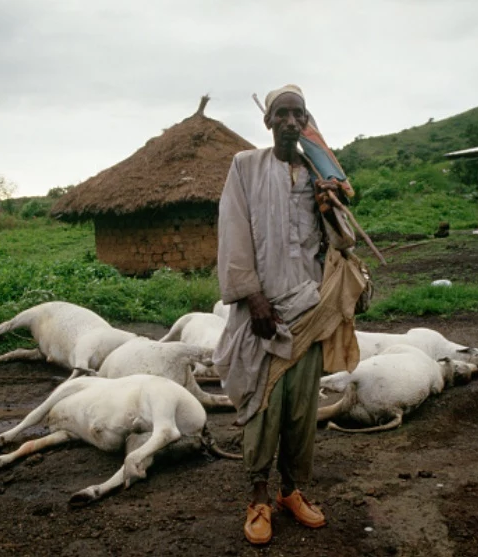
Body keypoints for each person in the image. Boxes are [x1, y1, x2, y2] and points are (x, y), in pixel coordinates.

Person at [214, 84, 357, 545]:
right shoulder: (245, 167)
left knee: (301, 408)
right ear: (268, 121)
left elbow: (340, 243)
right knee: (262, 406)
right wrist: (251, 296)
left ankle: (292, 492)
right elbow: (234, 233)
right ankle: (258, 498)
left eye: (299, 115)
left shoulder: (319, 173)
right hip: (264, 311)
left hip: (310, 307)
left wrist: (334, 205)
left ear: (306, 123)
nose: (291, 122)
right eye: (283, 114)